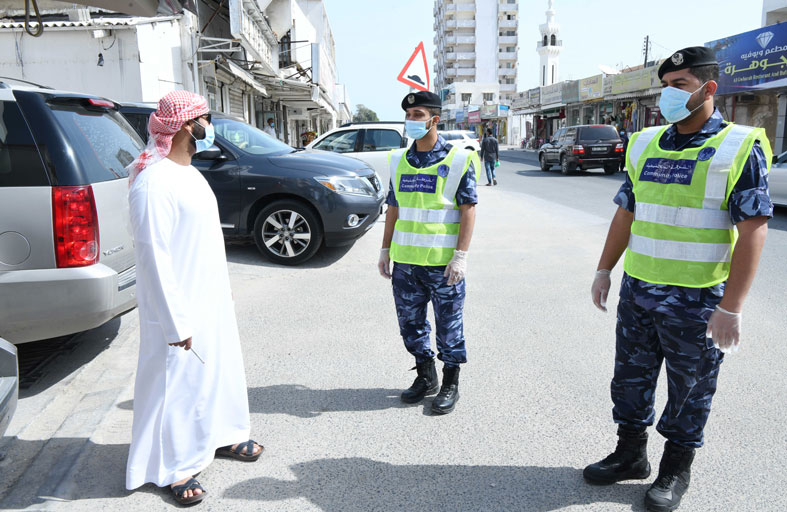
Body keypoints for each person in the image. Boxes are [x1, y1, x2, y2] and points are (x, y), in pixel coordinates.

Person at [584, 47, 772, 512]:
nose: (668, 94)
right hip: (639, 290)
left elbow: (753, 230)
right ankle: (630, 455)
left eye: (680, 85)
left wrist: (731, 307)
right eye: (665, 86)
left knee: (690, 388)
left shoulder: (737, 146)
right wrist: (605, 269)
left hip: (698, 299)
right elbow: (626, 212)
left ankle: (675, 469)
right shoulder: (645, 143)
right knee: (630, 379)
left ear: (709, 89)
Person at [126, 91, 263, 506]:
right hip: (178, 307)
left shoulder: (188, 172)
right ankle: (175, 467)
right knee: (179, 386)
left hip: (210, 298)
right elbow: (154, 257)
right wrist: (175, 321)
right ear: (189, 125)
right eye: (206, 118)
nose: (210, 127)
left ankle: (224, 435)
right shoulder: (154, 183)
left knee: (218, 372)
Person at [377, 91, 480, 415]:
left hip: (443, 265)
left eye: (418, 115)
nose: (411, 120)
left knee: (449, 328)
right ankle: (426, 375)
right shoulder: (398, 160)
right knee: (411, 325)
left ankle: (450, 382)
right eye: (408, 115)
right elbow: (393, 208)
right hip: (406, 264)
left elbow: (468, 209)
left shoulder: (458, 159)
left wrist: (461, 255)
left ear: (435, 119)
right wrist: (385, 249)